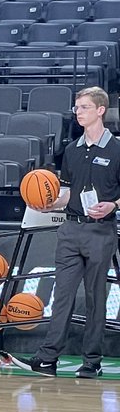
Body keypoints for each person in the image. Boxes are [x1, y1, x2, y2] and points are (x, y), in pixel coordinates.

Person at [20, 87, 120, 379]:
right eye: (77, 107)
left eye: (85, 107)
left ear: (100, 110)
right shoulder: (72, 150)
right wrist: (48, 200)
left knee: (94, 298)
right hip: (70, 228)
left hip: (100, 231)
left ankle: (92, 360)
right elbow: (66, 192)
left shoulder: (116, 149)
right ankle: (48, 358)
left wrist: (113, 205)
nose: (78, 112)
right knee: (61, 294)